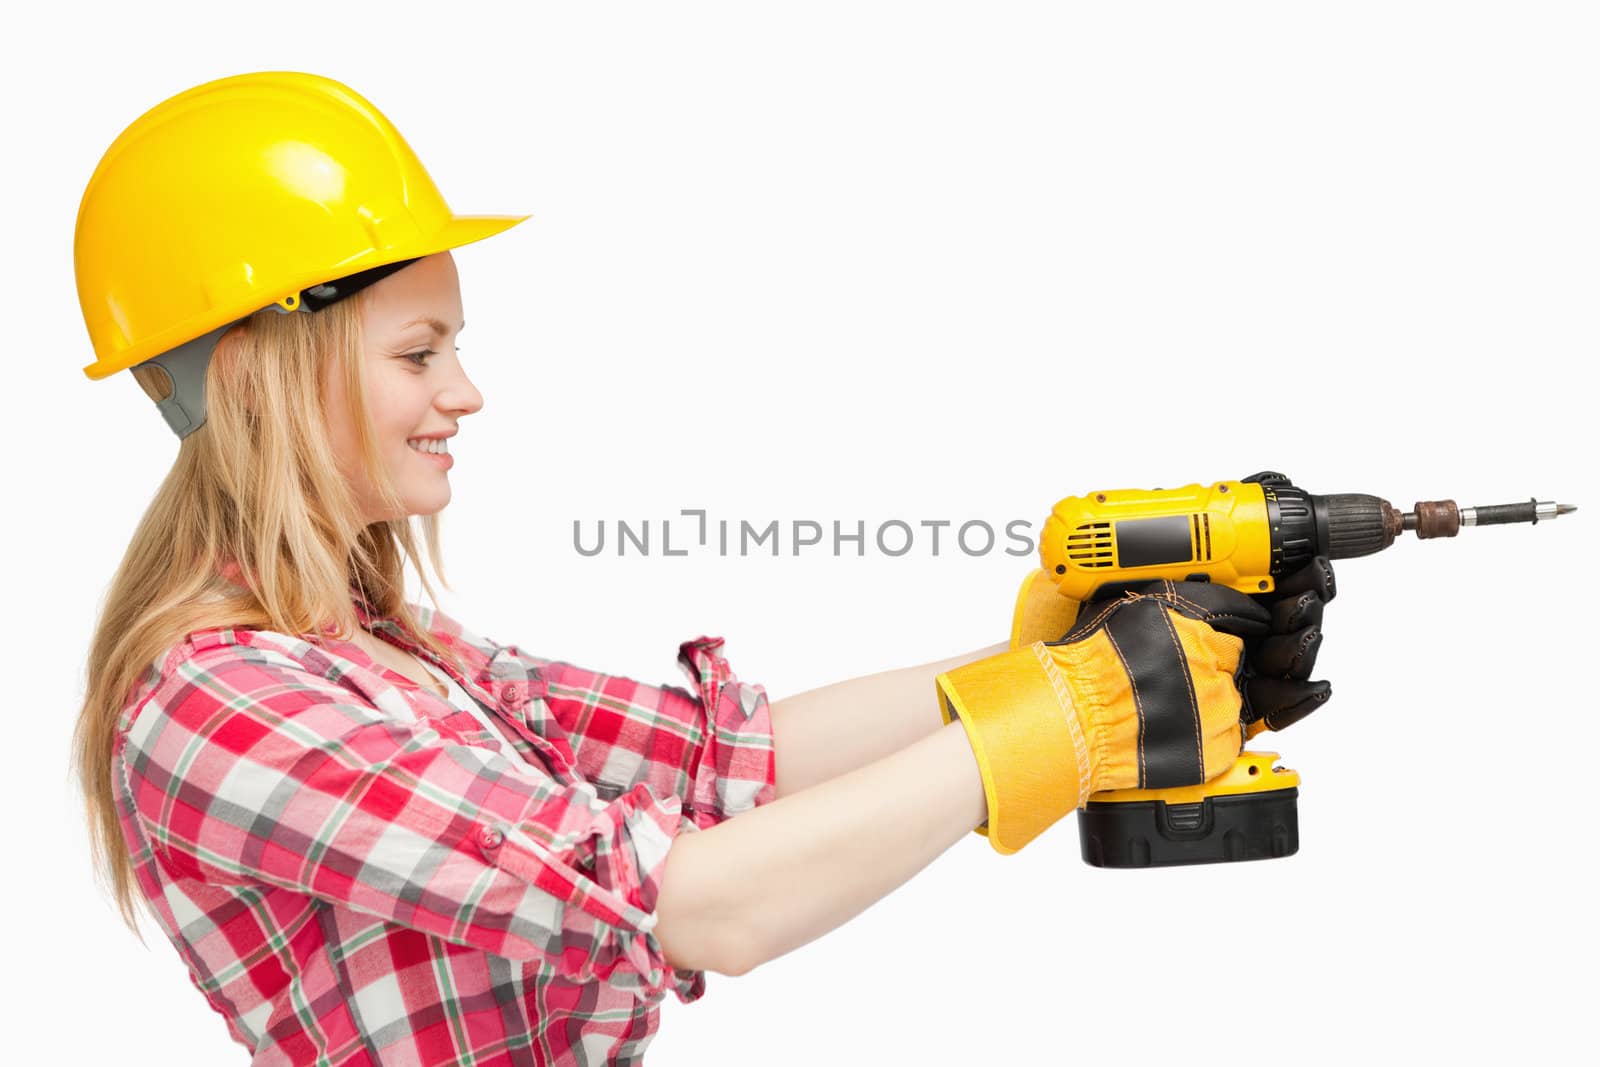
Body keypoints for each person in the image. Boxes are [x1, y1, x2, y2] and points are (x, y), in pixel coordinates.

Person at [72, 72, 1334, 1066]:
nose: (465, 391)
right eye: (419, 352)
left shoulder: (385, 647)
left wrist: (1051, 654)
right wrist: (1072, 712)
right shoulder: (223, 709)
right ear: (251, 377)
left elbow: (716, 757)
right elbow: (694, 905)